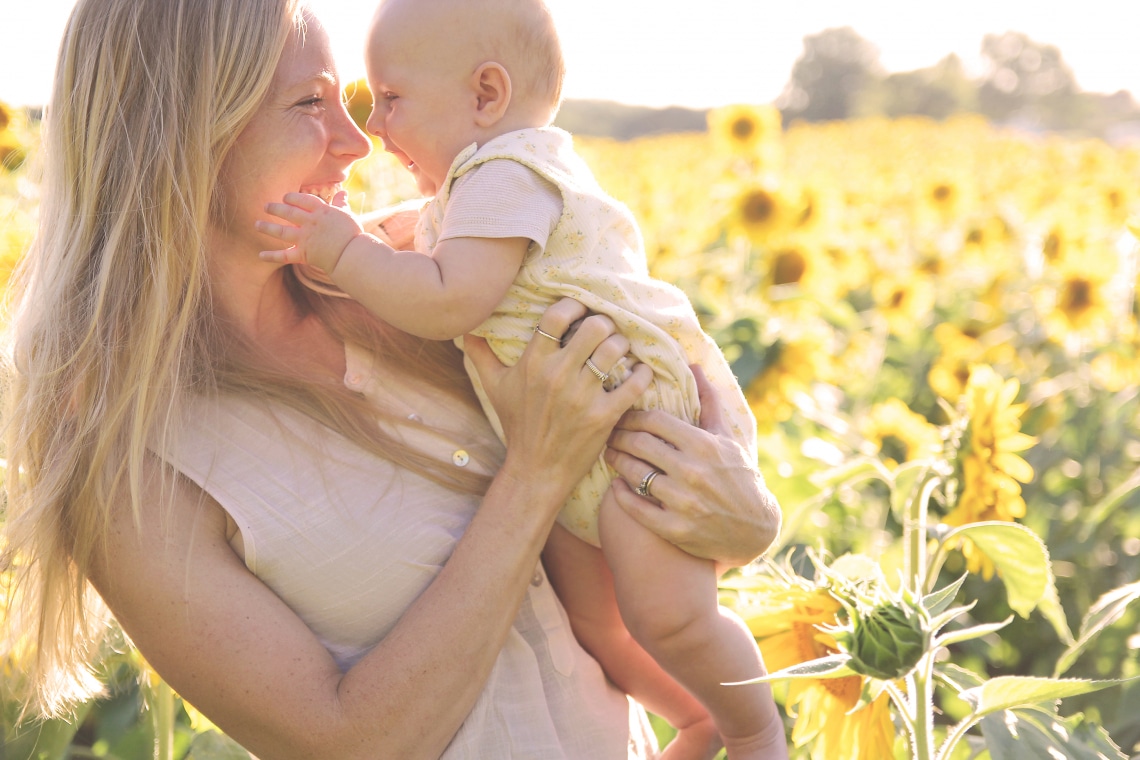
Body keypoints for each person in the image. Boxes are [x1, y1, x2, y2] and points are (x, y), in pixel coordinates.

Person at [0, 0, 785, 759]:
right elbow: (346, 744)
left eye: (354, 101)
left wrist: (736, 517)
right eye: (311, 104)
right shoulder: (128, 461)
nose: (358, 141)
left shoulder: (414, 285)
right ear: (180, 134)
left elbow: (619, 518)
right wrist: (533, 474)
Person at [256, 0, 785, 755]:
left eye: (391, 99)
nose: (375, 129)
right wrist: (380, 237)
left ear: (485, 96)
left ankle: (755, 730)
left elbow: (448, 299)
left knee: (665, 614)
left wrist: (342, 253)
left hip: (627, 429)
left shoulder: (506, 171)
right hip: (575, 435)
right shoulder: (480, 185)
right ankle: (698, 719)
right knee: (597, 623)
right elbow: (432, 234)